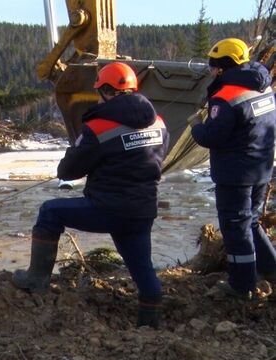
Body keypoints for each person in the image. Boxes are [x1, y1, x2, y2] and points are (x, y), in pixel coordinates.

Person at [13, 62, 169, 328]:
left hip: (108, 209)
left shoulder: (99, 126)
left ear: (106, 90)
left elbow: (69, 170)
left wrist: (84, 152)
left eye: (100, 90)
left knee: (50, 212)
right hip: (142, 211)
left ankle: (36, 279)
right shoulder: (159, 122)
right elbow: (158, 155)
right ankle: (150, 325)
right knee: (143, 270)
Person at [191, 38, 276, 300]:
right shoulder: (264, 87)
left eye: (213, 67)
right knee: (250, 221)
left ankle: (242, 285)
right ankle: (271, 269)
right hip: (261, 167)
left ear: (223, 67)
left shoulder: (226, 97)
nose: (211, 71)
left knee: (236, 227)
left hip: (235, 173)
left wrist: (197, 126)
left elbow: (213, 137)